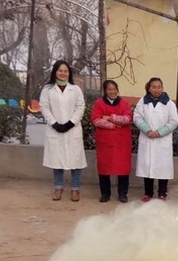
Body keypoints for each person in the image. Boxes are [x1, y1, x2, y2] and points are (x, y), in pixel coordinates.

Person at [40, 60, 86, 202]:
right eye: (60, 70)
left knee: (75, 161)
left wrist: (70, 123)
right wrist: (55, 124)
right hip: (55, 130)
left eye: (66, 71)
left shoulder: (75, 89)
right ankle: (58, 187)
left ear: (69, 73)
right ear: (55, 72)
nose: (63, 73)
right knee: (57, 160)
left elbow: (80, 107)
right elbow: (44, 107)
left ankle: (75, 189)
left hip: (72, 130)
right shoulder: (47, 89)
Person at [133, 77, 178, 202]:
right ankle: (148, 193)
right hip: (147, 137)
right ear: (149, 88)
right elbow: (137, 117)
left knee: (162, 167)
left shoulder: (169, 103)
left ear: (162, 88)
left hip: (162, 140)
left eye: (159, 87)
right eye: (153, 87)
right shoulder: (142, 101)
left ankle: (162, 193)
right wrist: (147, 130)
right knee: (147, 166)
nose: (156, 90)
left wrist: (159, 132)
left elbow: (174, 121)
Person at [91, 80, 133, 203]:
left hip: (122, 142)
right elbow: (96, 120)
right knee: (104, 167)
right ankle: (105, 193)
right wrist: (114, 125)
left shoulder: (124, 103)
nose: (112, 91)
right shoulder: (98, 103)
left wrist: (110, 117)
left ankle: (122, 193)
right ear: (105, 90)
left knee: (123, 168)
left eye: (114, 89)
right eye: (109, 89)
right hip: (105, 142)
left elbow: (127, 119)